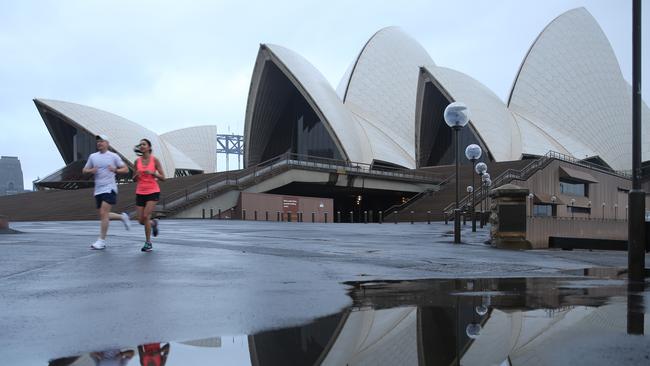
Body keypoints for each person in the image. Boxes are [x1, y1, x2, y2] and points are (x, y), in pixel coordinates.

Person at [82, 134, 131, 250]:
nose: (99, 143)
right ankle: (123, 217)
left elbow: (126, 169)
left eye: (102, 141)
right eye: (98, 141)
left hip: (110, 188)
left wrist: (115, 169)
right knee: (104, 215)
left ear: (107, 143)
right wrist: (91, 170)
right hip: (98, 190)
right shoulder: (93, 157)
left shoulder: (113, 156)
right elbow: (84, 170)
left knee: (103, 213)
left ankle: (101, 241)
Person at [134, 138, 165, 252]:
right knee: (141, 220)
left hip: (153, 191)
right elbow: (134, 178)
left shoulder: (155, 160)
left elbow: (163, 177)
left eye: (144, 144)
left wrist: (153, 173)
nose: (142, 146)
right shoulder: (137, 161)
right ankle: (153, 223)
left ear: (149, 147)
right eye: (140, 144)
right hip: (140, 191)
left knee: (146, 216)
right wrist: (136, 175)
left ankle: (148, 243)